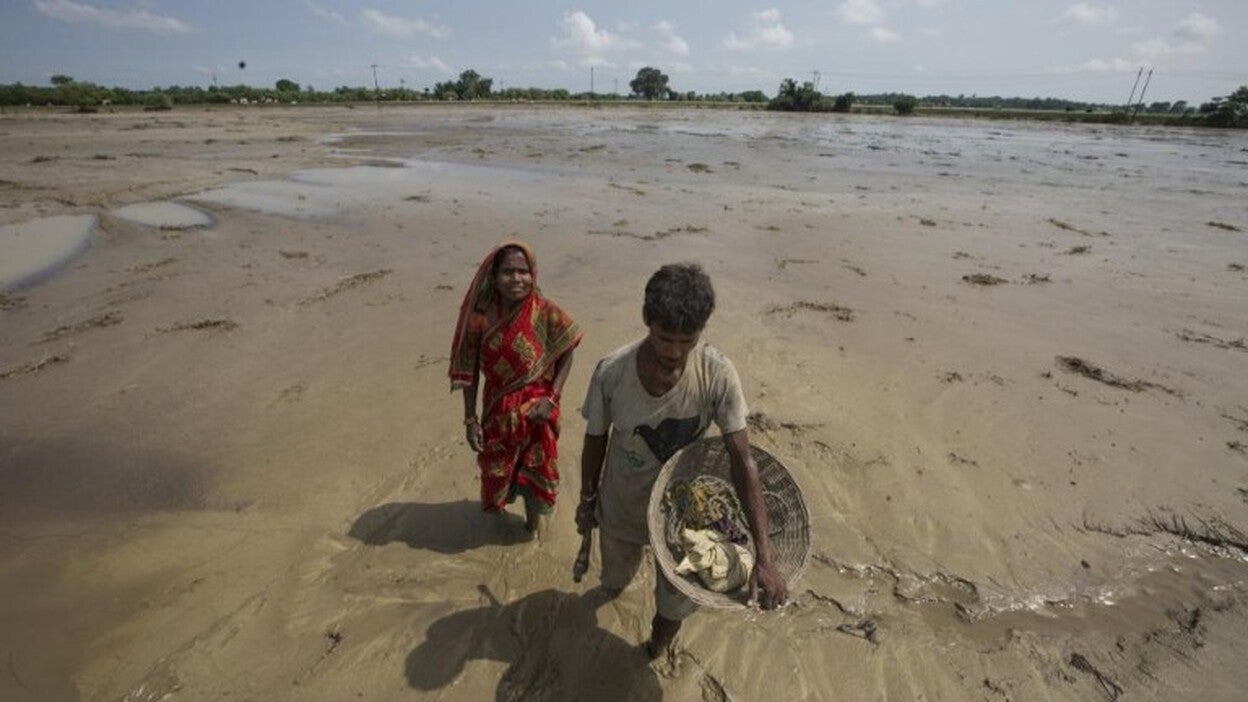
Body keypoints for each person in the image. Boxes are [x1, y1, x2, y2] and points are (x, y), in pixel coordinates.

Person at [576, 262, 787, 658]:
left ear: (702, 330)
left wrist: (764, 556)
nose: (674, 352)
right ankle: (616, 591)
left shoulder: (718, 373)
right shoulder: (612, 371)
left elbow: (742, 460)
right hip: (622, 503)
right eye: (664, 338)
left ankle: (656, 648)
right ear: (646, 319)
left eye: (687, 340)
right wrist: (587, 500)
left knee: (674, 606)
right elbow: (595, 439)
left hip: (684, 515)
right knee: (615, 577)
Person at [449, 242, 582, 532]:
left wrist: (552, 398)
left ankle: (532, 527)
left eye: (523, 272)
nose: (517, 279)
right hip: (497, 409)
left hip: (538, 412)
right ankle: (500, 523)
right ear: (494, 276)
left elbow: (567, 349)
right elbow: (469, 371)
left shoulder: (544, 310)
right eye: (508, 272)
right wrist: (470, 419)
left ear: (533, 274)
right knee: (496, 470)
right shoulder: (480, 317)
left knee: (536, 472)